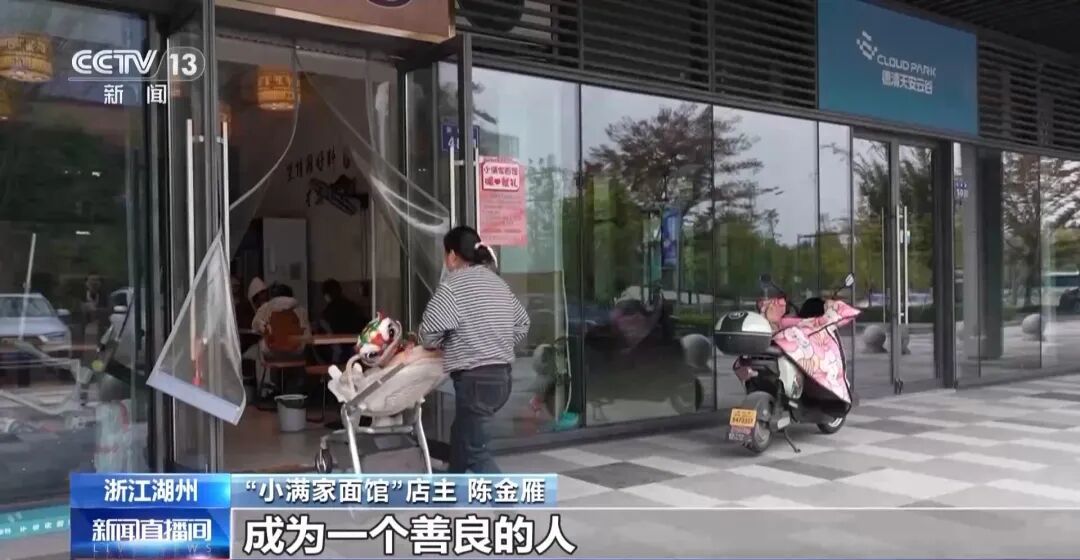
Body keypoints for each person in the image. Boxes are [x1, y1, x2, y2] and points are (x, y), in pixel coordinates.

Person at [419, 226, 530, 474]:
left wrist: (446, 344)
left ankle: (506, 499)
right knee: (461, 435)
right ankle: (450, 490)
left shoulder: (452, 286)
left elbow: (428, 335)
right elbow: (523, 323)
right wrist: (497, 344)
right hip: (502, 379)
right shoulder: (498, 283)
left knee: (474, 450)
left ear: (452, 255)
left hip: (475, 382)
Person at [252, 283, 310, 363]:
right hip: (296, 352)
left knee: (258, 348)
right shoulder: (301, 310)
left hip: (272, 352)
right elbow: (307, 334)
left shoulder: (265, 308)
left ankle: (267, 370)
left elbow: (255, 326)